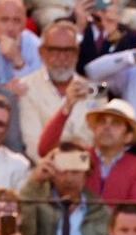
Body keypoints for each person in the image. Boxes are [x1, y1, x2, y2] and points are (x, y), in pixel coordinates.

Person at [20, 141, 111, 235]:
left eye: (75, 172)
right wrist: (34, 182)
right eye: (63, 172)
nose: (69, 179)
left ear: (86, 174)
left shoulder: (101, 212)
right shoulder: (38, 205)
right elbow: (25, 233)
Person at [18, 22, 97, 161]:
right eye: (54, 50)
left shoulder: (95, 90)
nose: (62, 57)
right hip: (44, 170)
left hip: (86, 171)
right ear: (41, 52)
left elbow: (96, 142)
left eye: (68, 51)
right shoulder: (25, 88)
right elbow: (33, 146)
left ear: (77, 53)